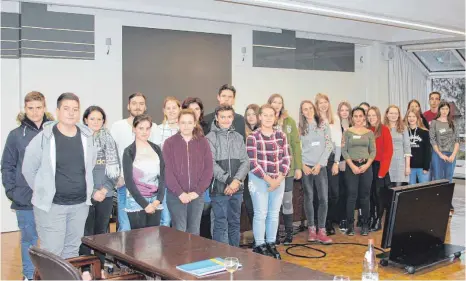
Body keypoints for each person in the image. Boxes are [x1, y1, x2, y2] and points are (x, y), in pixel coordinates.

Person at [22, 93, 96, 259]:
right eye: (66, 109)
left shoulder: (87, 138)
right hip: (52, 207)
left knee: (72, 253)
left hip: (79, 206)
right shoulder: (44, 137)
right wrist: (43, 190)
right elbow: (28, 169)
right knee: (53, 255)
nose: (71, 113)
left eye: (75, 109)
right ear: (57, 111)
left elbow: (89, 166)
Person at [1, 91, 53, 281]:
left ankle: (49, 276)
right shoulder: (15, 135)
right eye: (30, 108)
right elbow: (7, 165)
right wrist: (12, 191)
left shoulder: (54, 131)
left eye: (38, 107)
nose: (35, 112)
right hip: (25, 198)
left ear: (44, 107)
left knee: (50, 241)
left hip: (51, 198)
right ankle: (29, 276)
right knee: (29, 241)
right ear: (25, 109)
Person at [78, 106, 120, 279]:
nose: (96, 122)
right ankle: (86, 268)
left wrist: (104, 190)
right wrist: (94, 191)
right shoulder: (79, 140)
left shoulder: (109, 140)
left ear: (104, 121)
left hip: (106, 195)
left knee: (101, 233)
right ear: (86, 120)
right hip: (86, 195)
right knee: (87, 233)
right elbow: (77, 170)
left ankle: (100, 266)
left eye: (99, 119)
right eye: (92, 118)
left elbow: (115, 170)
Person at [110, 92, 159, 232]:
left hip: (147, 187)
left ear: (145, 107)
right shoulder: (117, 126)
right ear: (128, 106)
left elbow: (156, 155)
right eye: (134, 103)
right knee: (125, 227)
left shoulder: (153, 127)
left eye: (141, 103)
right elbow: (111, 153)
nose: (138, 107)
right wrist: (117, 177)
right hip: (124, 183)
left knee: (147, 230)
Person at [247, 104, 291, 259]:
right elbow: (252, 162)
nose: (267, 118)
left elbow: (286, 158)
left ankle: (271, 243)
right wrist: (268, 180)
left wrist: (279, 178)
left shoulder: (281, 136)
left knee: (273, 213)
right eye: (264, 115)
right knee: (261, 213)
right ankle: (260, 244)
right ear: (259, 117)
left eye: (271, 115)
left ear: (275, 117)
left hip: (278, 179)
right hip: (259, 179)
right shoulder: (253, 137)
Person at [163, 109, 213, 234]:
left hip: (196, 196)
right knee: (179, 231)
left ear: (195, 123)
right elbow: (167, 171)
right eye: (183, 122)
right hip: (176, 196)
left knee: (194, 232)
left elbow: (208, 169)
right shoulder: (169, 143)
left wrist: (196, 192)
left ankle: (192, 255)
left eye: (190, 122)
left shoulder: (203, 142)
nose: (186, 126)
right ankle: (179, 255)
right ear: (178, 123)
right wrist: (180, 193)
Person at [206, 105, 249, 247]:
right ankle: (221, 257)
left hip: (237, 189)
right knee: (220, 223)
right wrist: (229, 181)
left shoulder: (238, 137)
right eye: (222, 117)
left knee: (235, 223)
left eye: (229, 117)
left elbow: (245, 162)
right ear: (217, 118)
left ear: (233, 117)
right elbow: (210, 164)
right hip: (219, 189)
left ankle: (234, 256)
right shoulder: (210, 138)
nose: (226, 120)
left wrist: (236, 181)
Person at [268, 94, 302, 245]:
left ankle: (289, 233)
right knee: (273, 204)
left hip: (288, 169)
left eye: (279, 102)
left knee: (287, 202)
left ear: (282, 105)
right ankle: (273, 235)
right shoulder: (266, 120)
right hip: (271, 172)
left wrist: (298, 167)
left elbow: (295, 145)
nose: (276, 105)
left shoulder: (290, 122)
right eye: (274, 102)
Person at [299, 100, 333, 244]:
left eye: (310, 108)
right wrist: (302, 165)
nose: (308, 111)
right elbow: (296, 148)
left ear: (314, 108)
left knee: (323, 199)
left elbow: (329, 145)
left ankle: (321, 230)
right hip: (306, 167)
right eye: (305, 109)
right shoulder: (300, 128)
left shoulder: (323, 125)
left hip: (320, 167)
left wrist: (320, 164)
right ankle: (311, 229)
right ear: (302, 112)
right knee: (309, 198)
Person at [123, 114, 165, 229]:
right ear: (134, 129)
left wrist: (158, 200)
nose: (144, 131)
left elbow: (162, 176)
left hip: (155, 201)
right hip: (136, 201)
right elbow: (129, 181)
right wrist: (145, 205)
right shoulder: (129, 151)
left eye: (147, 128)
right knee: (138, 243)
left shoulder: (156, 149)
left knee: (154, 241)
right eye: (140, 128)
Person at [341, 107, 376, 236]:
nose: (358, 119)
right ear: (352, 118)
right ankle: (350, 226)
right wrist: (352, 165)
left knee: (365, 196)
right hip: (352, 167)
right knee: (351, 196)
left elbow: (373, 151)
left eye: (361, 116)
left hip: (366, 166)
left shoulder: (369, 133)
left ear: (364, 117)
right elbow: (344, 150)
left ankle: (365, 225)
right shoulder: (347, 133)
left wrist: (367, 165)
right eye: (355, 116)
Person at [152, 97, 181, 227]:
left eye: (174, 107)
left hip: (182, 180)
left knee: (179, 220)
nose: (171, 111)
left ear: (180, 109)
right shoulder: (156, 130)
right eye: (168, 108)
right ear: (164, 111)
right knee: (166, 219)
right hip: (163, 179)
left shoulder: (185, 129)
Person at [315, 93, 341, 236]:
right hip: (318, 159)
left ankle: (328, 219)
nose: (323, 105)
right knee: (320, 194)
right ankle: (322, 224)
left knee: (334, 193)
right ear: (316, 105)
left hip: (331, 159)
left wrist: (336, 162)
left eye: (326, 102)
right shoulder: (314, 120)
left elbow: (338, 142)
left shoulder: (334, 119)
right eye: (320, 103)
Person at [367, 106, 393, 232]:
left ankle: (378, 220)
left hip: (379, 166)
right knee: (370, 194)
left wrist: (382, 172)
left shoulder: (384, 130)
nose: (371, 118)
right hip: (368, 166)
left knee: (378, 195)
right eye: (369, 115)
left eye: (373, 115)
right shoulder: (366, 130)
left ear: (378, 116)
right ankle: (371, 217)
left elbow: (388, 152)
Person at [430, 101, 460, 184]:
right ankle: (437, 197)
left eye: (447, 109)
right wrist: (440, 154)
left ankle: (447, 197)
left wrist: (453, 155)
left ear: (449, 110)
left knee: (448, 178)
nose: (444, 111)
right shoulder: (434, 122)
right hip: (437, 154)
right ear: (439, 110)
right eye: (442, 108)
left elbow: (457, 140)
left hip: (451, 154)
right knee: (437, 178)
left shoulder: (453, 123)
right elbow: (432, 140)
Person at [384, 105, 411, 186]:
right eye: (391, 113)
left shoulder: (403, 128)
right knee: (387, 190)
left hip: (400, 164)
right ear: (387, 114)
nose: (393, 115)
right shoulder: (382, 128)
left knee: (398, 190)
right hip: (386, 163)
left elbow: (407, 147)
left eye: (396, 113)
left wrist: (407, 166)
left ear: (399, 115)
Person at [243, 104, 260, 234]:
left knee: (262, 208)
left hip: (261, 175)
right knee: (250, 207)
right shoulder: (242, 133)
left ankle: (270, 238)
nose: (250, 117)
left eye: (253, 114)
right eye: (248, 114)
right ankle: (257, 237)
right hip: (247, 176)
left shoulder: (264, 131)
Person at [336, 101, 352, 233]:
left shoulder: (353, 125)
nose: (345, 112)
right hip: (340, 162)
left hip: (352, 163)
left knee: (349, 192)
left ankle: (348, 218)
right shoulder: (336, 126)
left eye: (347, 110)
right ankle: (341, 218)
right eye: (342, 110)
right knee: (340, 192)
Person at [405, 109, 431, 185]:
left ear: (417, 118)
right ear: (406, 118)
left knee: (424, 189)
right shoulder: (404, 131)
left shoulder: (425, 132)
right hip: (409, 167)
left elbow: (427, 150)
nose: (411, 118)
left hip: (422, 167)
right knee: (410, 190)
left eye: (414, 116)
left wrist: (426, 167)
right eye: (409, 116)